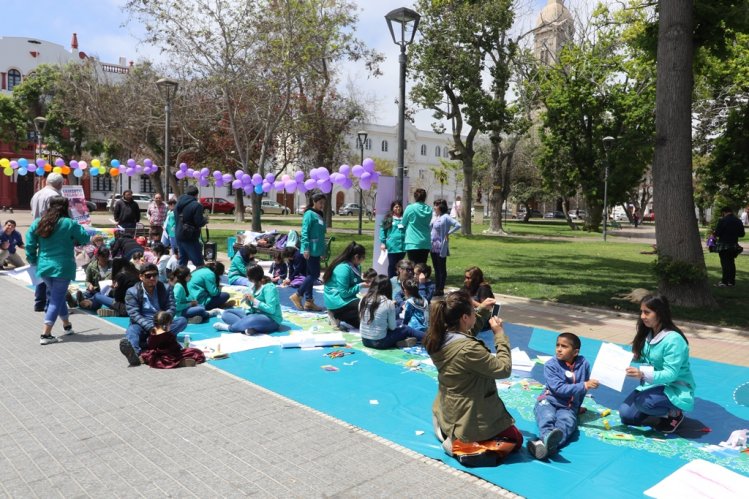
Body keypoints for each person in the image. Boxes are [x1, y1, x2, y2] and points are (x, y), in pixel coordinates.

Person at [426, 290, 522, 467]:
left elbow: (466, 331)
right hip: (468, 415)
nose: (474, 314)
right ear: (464, 317)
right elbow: (503, 369)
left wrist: (483, 311)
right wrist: (499, 334)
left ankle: (448, 434)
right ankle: (465, 449)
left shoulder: (436, 336)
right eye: (473, 311)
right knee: (515, 438)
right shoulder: (468, 349)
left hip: (448, 408)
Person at [619, 294, 696, 434]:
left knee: (644, 403)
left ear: (660, 313)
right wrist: (625, 357)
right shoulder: (649, 333)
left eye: (647, 312)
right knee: (626, 416)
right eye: (641, 311)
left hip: (674, 387)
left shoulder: (674, 340)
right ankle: (655, 409)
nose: (642, 316)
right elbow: (646, 358)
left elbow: (671, 374)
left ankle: (674, 413)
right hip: (654, 385)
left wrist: (642, 374)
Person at [25, 196, 91, 345]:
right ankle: (45, 334)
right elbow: (85, 238)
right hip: (62, 266)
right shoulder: (69, 223)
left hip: (44, 265)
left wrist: (32, 259)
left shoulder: (39, 222)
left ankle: (67, 325)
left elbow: (29, 241)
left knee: (58, 296)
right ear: (65, 207)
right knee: (55, 298)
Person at [527, 333, 599, 460]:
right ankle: (546, 441)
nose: (559, 349)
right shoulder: (551, 365)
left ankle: (543, 445)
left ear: (575, 352)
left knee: (567, 423)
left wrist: (576, 407)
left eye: (564, 346)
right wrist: (584, 385)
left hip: (568, 406)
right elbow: (559, 388)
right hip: (549, 400)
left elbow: (582, 391)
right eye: (557, 345)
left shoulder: (584, 364)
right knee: (547, 417)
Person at [119, 263, 188, 367]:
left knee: (182, 321)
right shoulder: (132, 292)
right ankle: (135, 354)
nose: (152, 278)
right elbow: (134, 314)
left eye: (155, 275)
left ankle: (150, 342)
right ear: (141, 277)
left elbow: (172, 307)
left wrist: (164, 321)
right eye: (148, 276)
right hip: (142, 324)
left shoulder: (166, 288)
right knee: (132, 330)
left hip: (162, 324)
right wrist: (150, 327)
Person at [29, 172, 65, 312]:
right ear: (59, 183)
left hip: (38, 231)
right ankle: (50, 304)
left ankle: (39, 301)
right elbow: (56, 218)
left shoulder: (37, 194)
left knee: (42, 269)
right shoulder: (54, 197)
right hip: (51, 234)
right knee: (52, 271)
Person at [213, 265, 283, 335]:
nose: (247, 278)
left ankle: (230, 328)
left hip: (271, 319)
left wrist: (253, 300)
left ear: (252, 277)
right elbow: (252, 306)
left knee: (252, 319)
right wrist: (247, 300)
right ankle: (247, 327)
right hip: (255, 314)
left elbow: (271, 309)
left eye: (248, 276)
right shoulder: (253, 285)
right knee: (226, 313)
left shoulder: (269, 288)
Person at [359, 275, 425, 349]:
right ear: (388, 288)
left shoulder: (363, 299)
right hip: (380, 342)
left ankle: (400, 342)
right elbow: (392, 327)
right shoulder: (388, 303)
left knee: (396, 323)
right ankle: (431, 339)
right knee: (406, 328)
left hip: (365, 340)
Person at [290, 192, 326, 311]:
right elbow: (304, 232)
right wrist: (305, 248)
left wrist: (323, 250)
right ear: (314, 202)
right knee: (314, 275)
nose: (322, 205)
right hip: (309, 250)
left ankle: (309, 301)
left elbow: (321, 234)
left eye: (323, 203)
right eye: (320, 202)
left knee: (310, 275)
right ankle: (298, 295)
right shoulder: (309, 214)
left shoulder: (320, 214)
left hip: (317, 250)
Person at [139, 311, 206, 369]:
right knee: (196, 352)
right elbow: (175, 348)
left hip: (156, 356)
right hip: (169, 357)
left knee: (148, 354)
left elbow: (151, 345)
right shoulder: (168, 335)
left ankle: (144, 359)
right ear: (167, 324)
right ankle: (179, 363)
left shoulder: (152, 333)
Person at [323, 242, 367, 328]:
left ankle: (343, 316)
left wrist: (366, 281)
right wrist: (360, 286)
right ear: (356, 257)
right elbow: (344, 293)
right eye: (363, 257)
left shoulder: (355, 266)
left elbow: (355, 281)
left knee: (363, 325)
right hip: (337, 300)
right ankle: (335, 314)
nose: (364, 259)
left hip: (346, 298)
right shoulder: (343, 268)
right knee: (365, 305)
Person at [430, 198, 461, 297]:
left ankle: (440, 288)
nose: (434, 207)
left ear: (441, 206)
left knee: (441, 267)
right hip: (433, 245)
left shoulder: (446, 217)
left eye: (436, 205)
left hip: (441, 246)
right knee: (436, 267)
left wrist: (448, 233)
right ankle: (437, 287)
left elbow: (457, 225)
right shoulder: (435, 216)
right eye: (434, 205)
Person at [175, 185, 208, 267]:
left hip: (179, 234)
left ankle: (180, 278)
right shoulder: (197, 205)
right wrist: (205, 220)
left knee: (183, 261)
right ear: (196, 195)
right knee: (199, 262)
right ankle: (201, 278)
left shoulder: (178, 204)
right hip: (190, 236)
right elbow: (198, 222)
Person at [715, 206, 745, 287]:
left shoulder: (722, 220)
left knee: (725, 263)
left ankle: (724, 282)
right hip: (733, 245)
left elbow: (717, 233)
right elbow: (742, 234)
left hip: (724, 244)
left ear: (724, 212)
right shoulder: (738, 221)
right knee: (731, 263)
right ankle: (731, 282)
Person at [401, 188, 433, 265]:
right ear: (425, 197)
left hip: (412, 242)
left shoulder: (410, 208)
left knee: (413, 267)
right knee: (422, 266)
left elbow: (403, 223)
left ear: (415, 197)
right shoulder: (429, 209)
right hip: (425, 241)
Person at [379, 200, 406, 278]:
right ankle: (391, 281)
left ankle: (399, 280)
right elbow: (382, 230)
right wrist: (383, 243)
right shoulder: (389, 218)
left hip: (402, 246)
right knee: (392, 264)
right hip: (392, 246)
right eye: (396, 207)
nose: (398, 208)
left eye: (399, 206)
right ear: (393, 208)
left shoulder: (404, 218)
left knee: (400, 265)